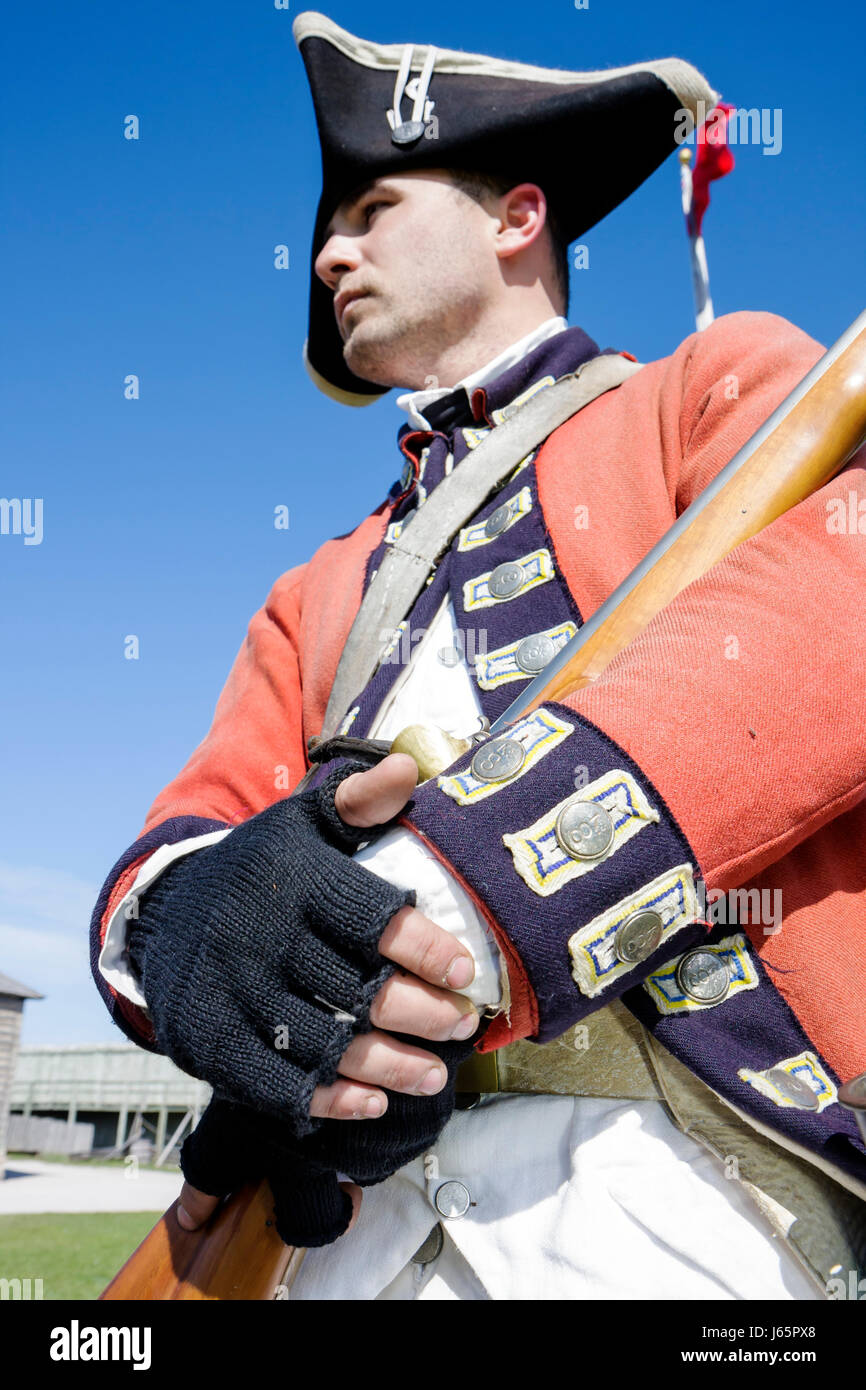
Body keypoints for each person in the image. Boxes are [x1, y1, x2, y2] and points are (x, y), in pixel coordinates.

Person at [90, 12, 866, 1300]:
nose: (329, 251)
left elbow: (839, 595)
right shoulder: (318, 583)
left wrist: (461, 893)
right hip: (351, 1228)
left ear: (517, 216)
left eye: (373, 206)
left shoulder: (712, 389)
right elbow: (193, 826)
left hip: (683, 1198)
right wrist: (194, 931)